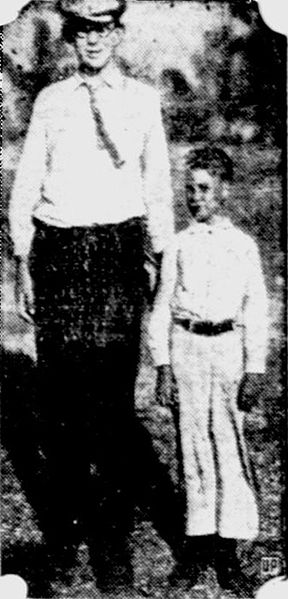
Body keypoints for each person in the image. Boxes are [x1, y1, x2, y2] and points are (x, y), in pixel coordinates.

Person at [9, 0, 174, 590]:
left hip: (116, 254)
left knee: (109, 407)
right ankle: (64, 544)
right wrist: (23, 261)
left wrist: (160, 259)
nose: (93, 40)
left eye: (103, 28)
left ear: (119, 33)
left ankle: (113, 555)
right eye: (82, 30)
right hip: (58, 257)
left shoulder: (140, 100)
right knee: (60, 410)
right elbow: (27, 181)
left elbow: (156, 184)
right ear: (71, 36)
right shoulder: (52, 101)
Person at [148, 146, 268, 595]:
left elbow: (256, 308)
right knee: (193, 445)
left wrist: (254, 367)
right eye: (190, 189)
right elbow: (161, 310)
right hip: (187, 349)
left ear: (224, 192)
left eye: (205, 189)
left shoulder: (242, 246)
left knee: (228, 445)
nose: (195, 198)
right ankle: (197, 548)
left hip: (228, 350)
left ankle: (229, 555)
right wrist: (162, 365)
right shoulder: (178, 245)